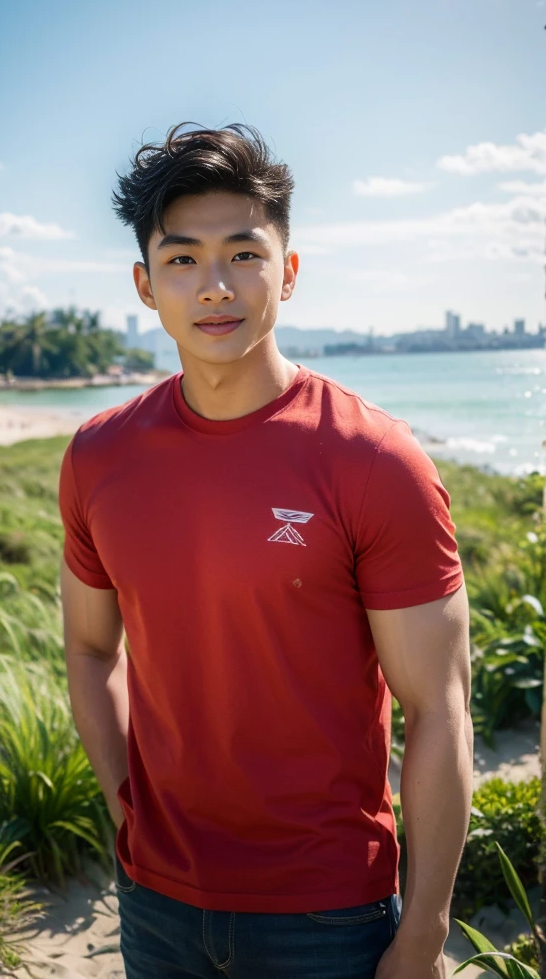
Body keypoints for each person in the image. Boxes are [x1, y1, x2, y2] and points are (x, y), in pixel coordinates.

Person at [58, 123, 472, 979]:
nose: (214, 286)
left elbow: (440, 710)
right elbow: (93, 648)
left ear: (287, 270)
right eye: (182, 260)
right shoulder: (98, 457)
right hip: (155, 903)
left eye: (243, 254)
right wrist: (126, 808)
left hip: (327, 915)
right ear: (145, 285)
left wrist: (424, 932)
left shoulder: (374, 461)